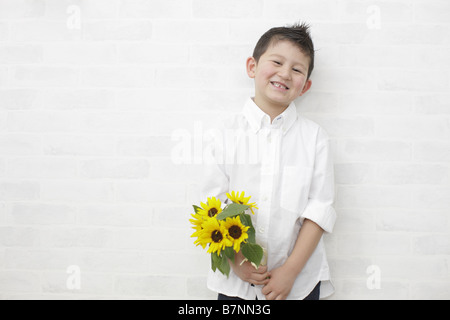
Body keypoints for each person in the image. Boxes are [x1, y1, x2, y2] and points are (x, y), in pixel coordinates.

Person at [201, 22, 337, 300]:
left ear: (306, 86)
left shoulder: (315, 138)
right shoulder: (223, 134)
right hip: (236, 285)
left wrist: (290, 271)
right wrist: (236, 261)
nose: (285, 73)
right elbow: (211, 205)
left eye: (297, 69)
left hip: (299, 284)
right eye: (277, 61)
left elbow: (319, 210)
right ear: (252, 67)